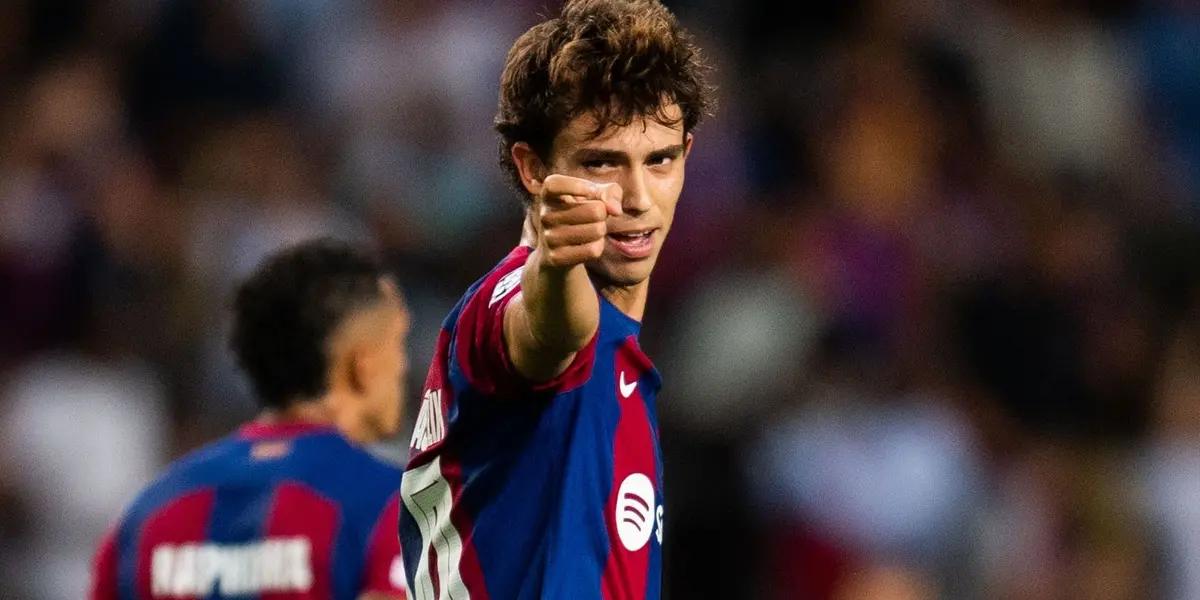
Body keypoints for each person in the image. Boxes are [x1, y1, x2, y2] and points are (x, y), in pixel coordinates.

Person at [398, 0, 712, 597]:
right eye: (601, 163)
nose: (637, 197)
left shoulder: (620, 353)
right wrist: (557, 264)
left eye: (660, 160)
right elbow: (550, 329)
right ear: (533, 168)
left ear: (687, 156)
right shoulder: (505, 304)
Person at [89, 239, 411, 600]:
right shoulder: (393, 507)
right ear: (362, 365)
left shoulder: (144, 518)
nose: (404, 367)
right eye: (397, 344)